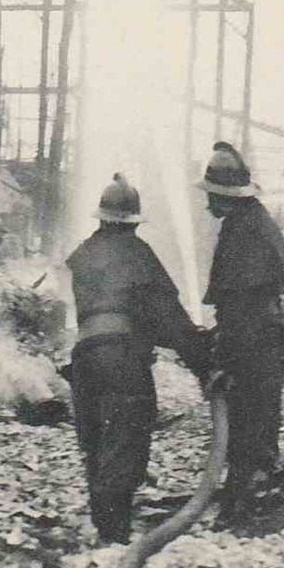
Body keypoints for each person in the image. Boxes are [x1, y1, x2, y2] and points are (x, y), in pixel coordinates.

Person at [64, 173, 212, 544]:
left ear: (101, 217)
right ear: (132, 223)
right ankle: (115, 536)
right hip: (122, 359)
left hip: (84, 356)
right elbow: (169, 320)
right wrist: (205, 364)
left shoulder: (83, 254)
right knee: (126, 436)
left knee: (96, 438)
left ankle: (103, 523)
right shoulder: (138, 255)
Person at [198, 142, 284, 520]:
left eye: (215, 196)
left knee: (247, 417)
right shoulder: (249, 222)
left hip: (253, 339)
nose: (210, 204)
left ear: (228, 196)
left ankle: (242, 501)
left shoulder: (245, 230)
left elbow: (241, 303)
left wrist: (223, 356)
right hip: (259, 337)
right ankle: (244, 493)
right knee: (257, 416)